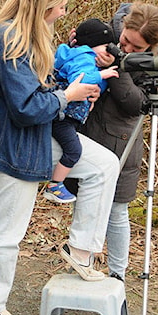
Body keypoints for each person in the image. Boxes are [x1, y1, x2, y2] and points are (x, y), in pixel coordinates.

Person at [0, 0, 120, 315]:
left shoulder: (31, 36)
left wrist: (76, 88)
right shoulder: (10, 39)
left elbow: (37, 92)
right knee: (5, 231)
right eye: (62, 6)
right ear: (46, 4)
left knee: (103, 165)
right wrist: (68, 97)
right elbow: (26, 107)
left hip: (33, 136)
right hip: (12, 144)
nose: (65, 13)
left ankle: (80, 252)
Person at [79, 1, 158, 281]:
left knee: (117, 212)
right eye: (126, 41)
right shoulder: (106, 35)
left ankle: (117, 275)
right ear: (124, 25)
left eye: (136, 48)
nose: (128, 48)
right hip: (87, 132)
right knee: (86, 207)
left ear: (151, 47)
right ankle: (82, 266)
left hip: (122, 142)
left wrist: (119, 67)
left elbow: (137, 104)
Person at [44, 17, 119, 204]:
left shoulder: (80, 56)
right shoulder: (83, 58)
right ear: (92, 45)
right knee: (74, 151)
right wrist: (102, 73)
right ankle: (55, 185)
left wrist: (98, 85)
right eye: (105, 47)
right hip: (63, 117)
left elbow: (94, 85)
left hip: (66, 115)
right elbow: (81, 78)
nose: (108, 51)